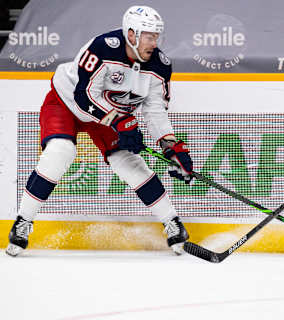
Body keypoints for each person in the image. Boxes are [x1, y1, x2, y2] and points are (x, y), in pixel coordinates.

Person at [6, 5, 193, 257]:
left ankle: (173, 224)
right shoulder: (103, 47)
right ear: (131, 34)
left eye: (157, 36)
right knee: (60, 152)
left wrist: (171, 145)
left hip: (108, 116)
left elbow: (155, 109)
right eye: (149, 35)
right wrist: (120, 122)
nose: (154, 42)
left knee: (128, 162)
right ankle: (22, 222)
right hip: (66, 103)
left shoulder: (159, 65)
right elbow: (83, 96)